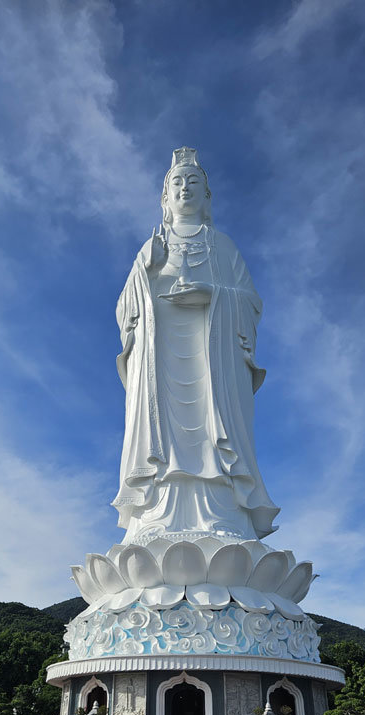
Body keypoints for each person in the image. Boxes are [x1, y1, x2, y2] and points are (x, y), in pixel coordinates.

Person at [113, 147, 280, 546]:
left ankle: (223, 516)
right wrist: (145, 271)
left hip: (213, 361)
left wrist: (213, 294)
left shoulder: (222, 246)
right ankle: (155, 517)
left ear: (207, 198)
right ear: (165, 198)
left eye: (194, 183)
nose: (185, 188)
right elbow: (125, 310)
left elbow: (251, 302)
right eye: (177, 183)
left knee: (213, 432)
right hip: (161, 356)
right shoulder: (150, 247)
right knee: (162, 437)